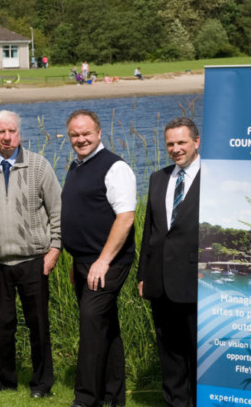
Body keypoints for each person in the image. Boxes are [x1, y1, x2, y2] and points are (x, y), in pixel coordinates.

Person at [0, 110, 60, 398]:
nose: (7, 137)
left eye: (12, 131)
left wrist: (55, 248)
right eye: (1, 132)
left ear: (20, 133)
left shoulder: (39, 166)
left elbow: (57, 211)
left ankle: (42, 383)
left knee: (38, 325)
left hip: (34, 260)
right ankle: (5, 380)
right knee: (1, 326)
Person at [61, 110, 136, 407]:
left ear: (99, 133)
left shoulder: (115, 167)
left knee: (91, 325)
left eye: (86, 133)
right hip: (83, 263)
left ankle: (86, 399)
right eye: (75, 135)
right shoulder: (76, 165)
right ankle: (113, 396)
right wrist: (76, 260)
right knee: (106, 327)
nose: (81, 139)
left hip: (107, 264)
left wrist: (102, 261)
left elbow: (126, 218)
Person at [138, 117, 200, 407]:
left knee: (196, 350)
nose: (176, 149)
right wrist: (142, 275)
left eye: (181, 142)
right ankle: (176, 402)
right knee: (169, 351)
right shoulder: (158, 178)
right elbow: (149, 232)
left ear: (196, 142)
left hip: (197, 281)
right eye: (170, 144)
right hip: (159, 280)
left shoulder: (214, 178)